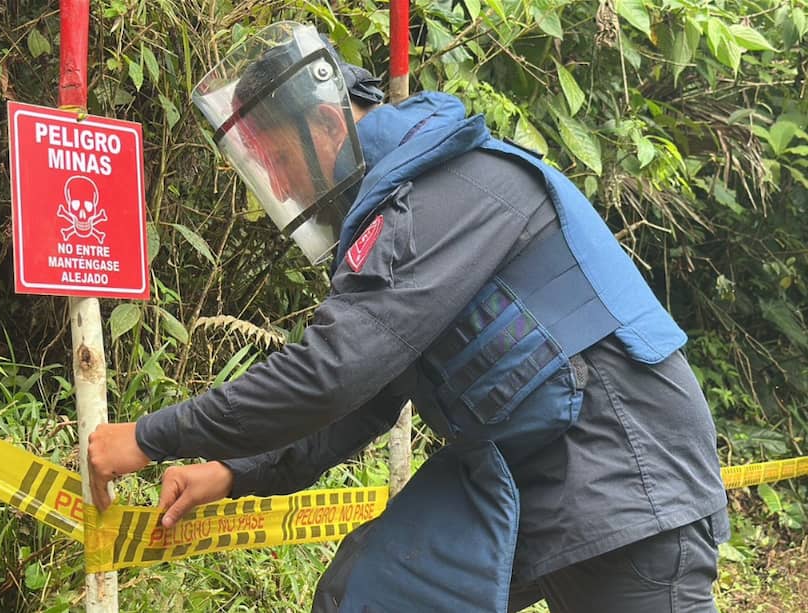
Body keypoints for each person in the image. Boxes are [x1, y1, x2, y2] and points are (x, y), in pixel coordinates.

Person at [87, 21, 730, 612]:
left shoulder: (449, 189)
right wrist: (232, 470)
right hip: (528, 480)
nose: (279, 189)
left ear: (327, 128)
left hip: (629, 485)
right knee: (365, 595)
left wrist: (149, 437)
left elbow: (330, 374)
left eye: (278, 161)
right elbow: (358, 400)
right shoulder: (403, 214)